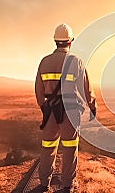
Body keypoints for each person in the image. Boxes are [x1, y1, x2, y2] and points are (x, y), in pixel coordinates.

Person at [35, 23, 97, 192]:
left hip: (50, 110)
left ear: (55, 41)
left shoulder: (45, 62)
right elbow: (86, 88)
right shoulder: (76, 62)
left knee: (48, 147)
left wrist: (45, 108)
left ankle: (43, 183)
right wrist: (92, 105)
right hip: (70, 110)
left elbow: (39, 89)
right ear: (71, 41)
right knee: (69, 148)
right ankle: (67, 185)